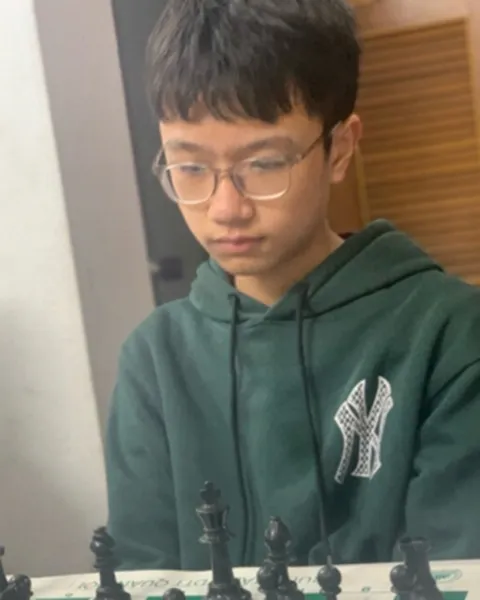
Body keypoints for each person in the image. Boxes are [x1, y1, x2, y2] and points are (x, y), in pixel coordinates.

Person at [105, 0, 480, 571]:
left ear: (340, 149)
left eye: (265, 164)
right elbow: (140, 571)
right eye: (192, 168)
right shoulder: (155, 358)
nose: (225, 209)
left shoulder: (448, 335)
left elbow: (459, 571)